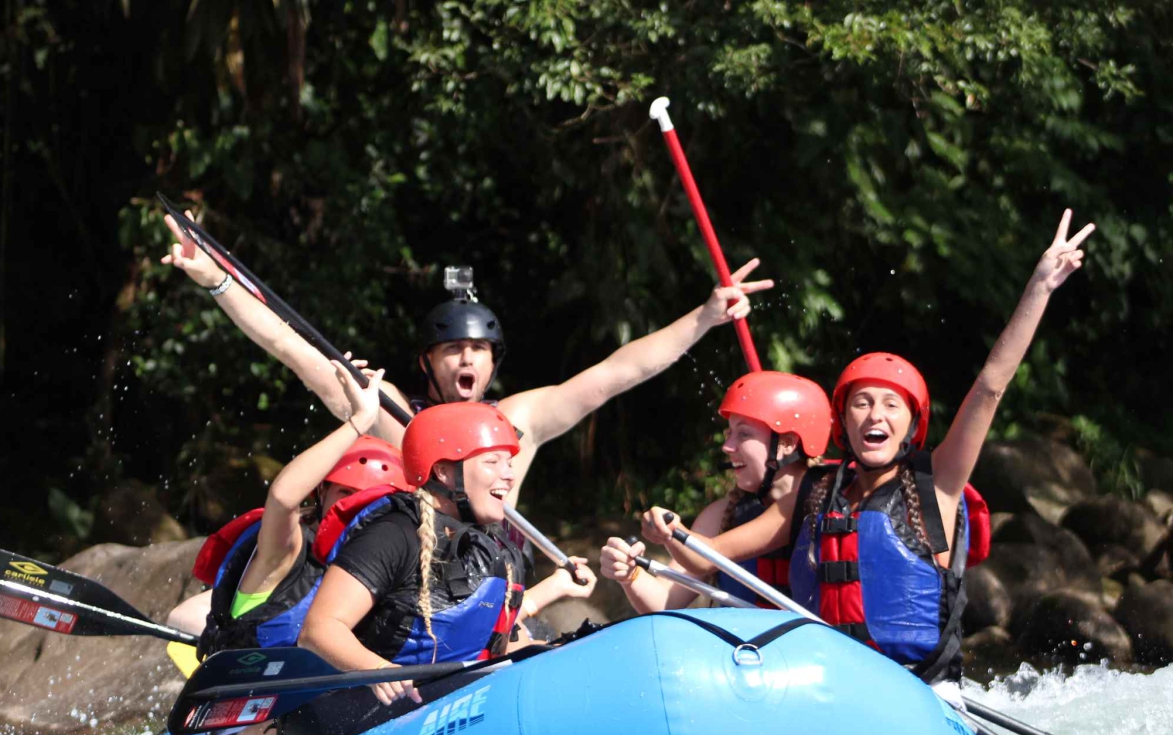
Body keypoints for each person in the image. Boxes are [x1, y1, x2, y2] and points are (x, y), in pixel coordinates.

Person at [637, 210, 1095, 684]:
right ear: (843, 420)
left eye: (891, 405)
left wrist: (1040, 287)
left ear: (912, 424)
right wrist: (668, 533)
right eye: (861, 403)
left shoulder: (935, 484)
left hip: (917, 686)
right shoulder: (812, 494)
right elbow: (708, 556)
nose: (875, 415)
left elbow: (990, 387)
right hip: (827, 682)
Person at [161, 211, 772, 506]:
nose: (466, 361)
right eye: (453, 350)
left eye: (477, 350)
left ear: (493, 360)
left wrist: (705, 317)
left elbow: (619, 372)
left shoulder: (519, 423)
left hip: (490, 591)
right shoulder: (392, 412)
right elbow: (291, 347)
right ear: (428, 363)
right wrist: (215, 280)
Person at [204, 402, 597, 735]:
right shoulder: (393, 534)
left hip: (440, 707)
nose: (509, 475)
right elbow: (319, 629)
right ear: (444, 471)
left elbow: (503, 642)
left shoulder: (494, 552)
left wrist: (557, 657)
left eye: (509, 462)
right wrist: (377, 669)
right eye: (492, 462)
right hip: (354, 708)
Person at [173, 356, 409, 660]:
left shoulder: (390, 562)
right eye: (345, 492)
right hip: (251, 692)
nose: (356, 505)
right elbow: (283, 499)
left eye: (371, 498)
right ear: (321, 493)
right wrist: (359, 421)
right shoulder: (288, 550)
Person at [598, 371, 830, 612]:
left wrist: (671, 532)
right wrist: (630, 574)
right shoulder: (723, 513)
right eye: (729, 433)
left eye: (744, 434)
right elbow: (663, 602)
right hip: (748, 649)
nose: (727, 446)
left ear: (787, 443)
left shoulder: (823, 501)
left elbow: (704, 558)